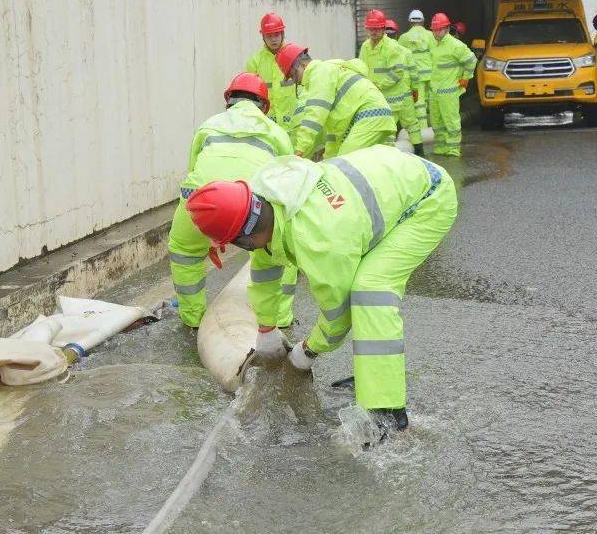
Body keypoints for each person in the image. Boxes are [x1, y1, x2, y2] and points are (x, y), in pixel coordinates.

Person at [185, 145, 459, 433]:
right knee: (360, 279)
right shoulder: (268, 196)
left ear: (244, 238)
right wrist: (266, 328)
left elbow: (338, 317)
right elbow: (265, 266)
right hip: (389, 182)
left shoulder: (321, 242)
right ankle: (374, 377)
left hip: (428, 199)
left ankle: (386, 412)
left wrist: (307, 351)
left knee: (370, 290)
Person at [168, 73, 297, 328]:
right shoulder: (275, 131)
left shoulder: (209, 125)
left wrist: (212, 227)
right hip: (251, 202)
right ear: (264, 106)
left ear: (229, 102)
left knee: (184, 251)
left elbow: (194, 168)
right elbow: (287, 181)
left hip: (203, 198)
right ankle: (278, 320)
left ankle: (193, 319)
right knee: (280, 251)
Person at [276, 43, 396, 159]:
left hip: (368, 117)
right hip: (378, 117)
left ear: (301, 65)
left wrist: (300, 150)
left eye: (293, 76)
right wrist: (328, 162)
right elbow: (334, 136)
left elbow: (315, 115)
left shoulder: (319, 72)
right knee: (379, 169)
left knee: (346, 166)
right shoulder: (330, 70)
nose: (296, 81)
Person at [358, 10, 424, 156]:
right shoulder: (365, 47)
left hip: (395, 97)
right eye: (371, 29)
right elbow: (361, 68)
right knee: (384, 129)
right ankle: (387, 160)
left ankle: (418, 154)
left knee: (399, 128)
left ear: (383, 29)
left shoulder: (392, 47)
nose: (374, 32)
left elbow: (397, 72)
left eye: (377, 29)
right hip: (376, 97)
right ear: (367, 29)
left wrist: (379, 85)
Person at [428, 12, 477, 157]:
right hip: (435, 91)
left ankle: (453, 150)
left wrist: (466, 77)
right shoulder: (432, 43)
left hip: (449, 91)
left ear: (447, 29)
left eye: (439, 29)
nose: (436, 32)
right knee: (437, 123)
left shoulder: (455, 45)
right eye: (434, 29)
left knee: (451, 122)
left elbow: (471, 60)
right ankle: (441, 148)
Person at [246, 13, 299, 129]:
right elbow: (251, 96)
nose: (273, 39)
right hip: (267, 126)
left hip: (294, 125)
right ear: (263, 37)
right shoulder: (255, 61)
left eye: (276, 34)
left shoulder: (294, 55)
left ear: (282, 34)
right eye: (269, 36)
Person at [398, 9, 434, 129]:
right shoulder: (431, 35)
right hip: (431, 75)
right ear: (423, 21)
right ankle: (435, 129)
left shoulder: (404, 38)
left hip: (415, 77)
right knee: (432, 102)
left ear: (409, 22)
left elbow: (399, 57)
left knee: (419, 105)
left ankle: (423, 130)